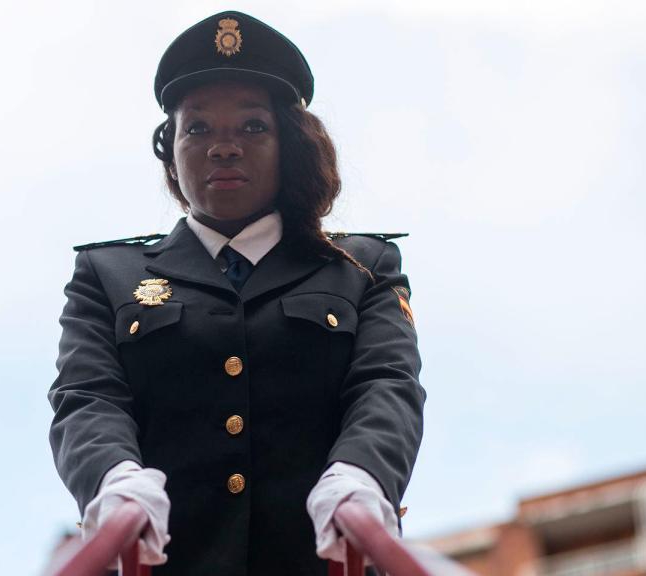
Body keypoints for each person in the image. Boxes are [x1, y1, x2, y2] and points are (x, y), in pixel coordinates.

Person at [48, 10, 425, 576]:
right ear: (169, 148)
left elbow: (386, 385)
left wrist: (361, 476)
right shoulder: (107, 274)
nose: (223, 147)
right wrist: (115, 480)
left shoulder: (363, 267)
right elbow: (88, 397)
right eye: (196, 128)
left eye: (252, 126)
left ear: (289, 144)